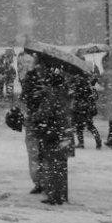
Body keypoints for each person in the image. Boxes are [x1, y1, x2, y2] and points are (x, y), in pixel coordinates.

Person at [24, 50, 74, 205]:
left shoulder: (52, 95)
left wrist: (31, 118)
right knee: (60, 165)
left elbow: (43, 113)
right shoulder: (63, 93)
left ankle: (54, 196)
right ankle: (61, 194)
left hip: (53, 133)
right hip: (63, 132)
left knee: (53, 164)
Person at [17, 52, 43, 194]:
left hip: (34, 121)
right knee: (45, 152)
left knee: (34, 153)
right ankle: (47, 179)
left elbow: (23, 100)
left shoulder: (31, 77)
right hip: (50, 123)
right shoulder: (54, 77)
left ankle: (39, 181)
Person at [69, 70, 101, 149]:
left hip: (79, 107)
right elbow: (95, 96)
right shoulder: (89, 83)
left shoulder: (78, 82)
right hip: (87, 107)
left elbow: (75, 94)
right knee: (89, 125)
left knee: (79, 126)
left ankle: (81, 143)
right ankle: (98, 141)